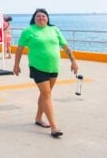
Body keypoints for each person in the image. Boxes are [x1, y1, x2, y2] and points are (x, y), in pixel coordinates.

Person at [13, 8, 79, 138]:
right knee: (47, 94)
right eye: (38, 16)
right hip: (37, 67)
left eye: (44, 16)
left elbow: (65, 46)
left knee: (45, 94)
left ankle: (38, 118)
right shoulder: (28, 31)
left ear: (47, 18)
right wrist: (16, 65)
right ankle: (54, 127)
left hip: (53, 68)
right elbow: (19, 49)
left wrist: (74, 62)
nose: (41, 18)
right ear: (34, 18)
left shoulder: (54, 30)